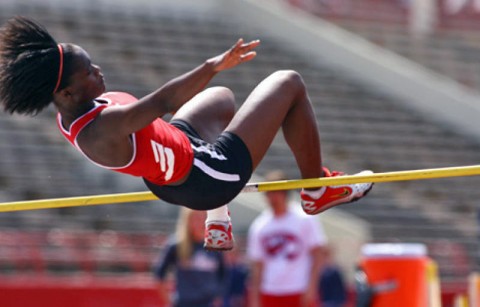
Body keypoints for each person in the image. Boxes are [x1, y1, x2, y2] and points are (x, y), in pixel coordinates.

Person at [0, 17, 373, 251]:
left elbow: (165, 112)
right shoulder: (103, 129)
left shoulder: (67, 114)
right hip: (209, 175)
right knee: (288, 83)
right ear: (67, 92)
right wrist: (214, 64)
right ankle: (317, 190)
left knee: (221, 99)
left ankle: (216, 217)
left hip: (173, 169)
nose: (98, 70)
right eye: (89, 72)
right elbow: (164, 99)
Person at [246, 170, 328, 307]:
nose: (272, 198)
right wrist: (254, 298)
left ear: (285, 194)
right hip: (270, 291)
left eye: (275, 192)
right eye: (268, 193)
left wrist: (312, 287)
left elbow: (318, 254)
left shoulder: (304, 219)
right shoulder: (259, 226)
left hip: (298, 288)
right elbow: (257, 265)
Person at [154, 208, 226, 307]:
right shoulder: (176, 245)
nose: (200, 222)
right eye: (196, 218)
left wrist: (218, 297)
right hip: (184, 303)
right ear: (187, 220)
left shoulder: (215, 245)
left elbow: (223, 275)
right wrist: (169, 301)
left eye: (204, 218)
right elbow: (159, 275)